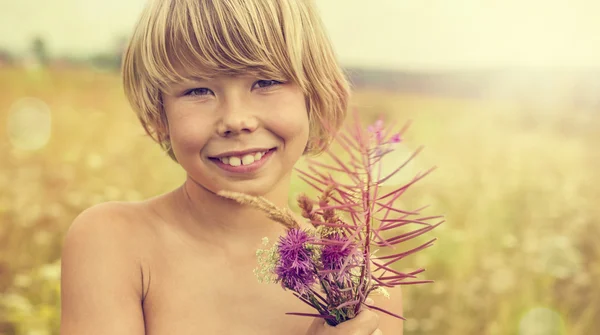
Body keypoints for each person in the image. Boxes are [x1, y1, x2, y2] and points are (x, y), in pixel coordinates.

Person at [60, 0, 403, 334]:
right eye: (198, 90)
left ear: (313, 94)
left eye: (266, 82)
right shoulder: (114, 241)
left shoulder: (363, 283)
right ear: (158, 114)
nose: (236, 120)